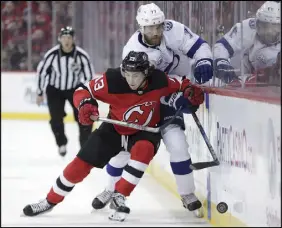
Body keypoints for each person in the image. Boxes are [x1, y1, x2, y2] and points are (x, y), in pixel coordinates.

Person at [22, 51, 204, 222]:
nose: (131, 80)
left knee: (144, 150)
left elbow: (182, 83)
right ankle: (49, 201)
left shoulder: (159, 80)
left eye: (136, 75)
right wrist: (85, 104)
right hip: (114, 129)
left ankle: (120, 195)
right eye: (128, 74)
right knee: (79, 165)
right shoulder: (112, 80)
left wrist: (190, 91)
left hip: (145, 132)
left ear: (146, 73)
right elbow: (82, 90)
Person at [92, 2, 213, 215]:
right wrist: (175, 100)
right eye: (150, 28)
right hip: (145, 104)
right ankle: (110, 189)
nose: (156, 32)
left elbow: (200, 46)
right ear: (141, 28)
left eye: (158, 26)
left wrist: (204, 61)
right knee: (122, 151)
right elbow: (141, 90)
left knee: (178, 145)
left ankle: (187, 194)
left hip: (173, 90)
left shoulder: (172, 30)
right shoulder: (133, 51)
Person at [36, 26, 95, 156]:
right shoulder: (52, 55)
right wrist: (40, 92)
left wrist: (88, 95)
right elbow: (42, 73)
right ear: (59, 39)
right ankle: (61, 143)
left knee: (83, 117)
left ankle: (85, 146)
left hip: (74, 89)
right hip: (54, 89)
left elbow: (89, 77)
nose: (66, 40)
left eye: (69, 37)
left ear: (74, 39)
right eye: (64, 38)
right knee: (56, 119)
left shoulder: (82, 56)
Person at [213, 1, 281, 84]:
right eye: (264, 27)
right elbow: (222, 45)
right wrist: (221, 62)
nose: (269, 32)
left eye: (274, 28)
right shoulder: (248, 27)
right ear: (257, 23)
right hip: (243, 79)